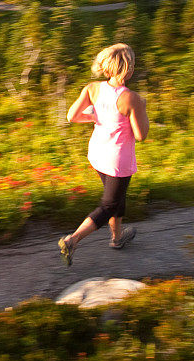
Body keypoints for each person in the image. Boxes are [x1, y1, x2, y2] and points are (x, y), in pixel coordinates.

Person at [58, 43, 149, 266]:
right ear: (128, 69)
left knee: (117, 197)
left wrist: (97, 118)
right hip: (118, 161)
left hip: (98, 154)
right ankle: (73, 240)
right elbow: (141, 135)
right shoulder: (132, 98)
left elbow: (72, 116)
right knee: (109, 204)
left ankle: (117, 239)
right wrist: (142, 108)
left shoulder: (92, 88)